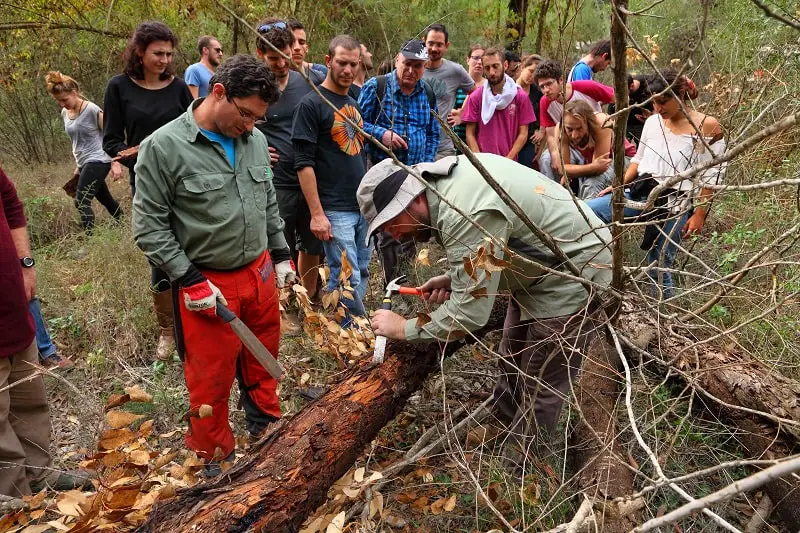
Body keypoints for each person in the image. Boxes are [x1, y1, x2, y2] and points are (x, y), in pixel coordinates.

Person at [357, 153, 611, 475]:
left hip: (576, 273)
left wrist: (404, 328)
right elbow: (501, 246)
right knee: (511, 356)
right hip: (541, 270)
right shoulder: (449, 184)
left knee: (540, 382)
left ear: (411, 200)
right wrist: (456, 280)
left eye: (392, 223)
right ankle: (499, 432)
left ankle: (520, 477)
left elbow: (469, 314)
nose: (393, 234)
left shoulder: (464, 210)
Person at [132, 54, 295, 472]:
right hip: (208, 284)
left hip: (257, 274)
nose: (250, 125)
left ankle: (267, 434)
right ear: (217, 92)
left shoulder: (254, 140)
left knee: (263, 363)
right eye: (244, 114)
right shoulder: (163, 147)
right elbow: (149, 228)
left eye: (258, 118)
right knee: (210, 380)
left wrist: (280, 256)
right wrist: (189, 280)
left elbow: (268, 202)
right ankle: (214, 462)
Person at [585, 70, 725, 299]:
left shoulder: (707, 126)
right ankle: (595, 279)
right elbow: (639, 160)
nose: (658, 108)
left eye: (663, 101)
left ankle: (665, 315)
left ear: (680, 94)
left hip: (675, 202)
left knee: (658, 262)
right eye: (654, 102)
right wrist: (619, 186)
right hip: (641, 190)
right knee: (589, 211)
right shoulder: (652, 122)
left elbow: (712, 175)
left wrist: (699, 214)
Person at [103, 21, 193, 361]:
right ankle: (167, 331)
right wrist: (146, 159)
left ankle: (194, 319)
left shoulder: (180, 87)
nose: (165, 60)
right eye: (158, 53)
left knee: (193, 247)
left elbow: (194, 128)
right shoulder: (119, 88)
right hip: (147, 183)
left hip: (187, 182)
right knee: (160, 257)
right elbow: (112, 141)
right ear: (139, 52)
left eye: (169, 54)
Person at [1, 166, 87, 496]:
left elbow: (9, 200)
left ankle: (40, 477)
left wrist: (25, 264)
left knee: (29, 399)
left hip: (11, 304)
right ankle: (16, 501)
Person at [293, 35, 371, 323]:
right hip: (334, 207)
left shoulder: (354, 102)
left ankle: (344, 327)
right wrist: (316, 213)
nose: (347, 70)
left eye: (353, 64)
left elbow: (357, 154)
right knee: (344, 274)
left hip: (361, 205)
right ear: (328, 61)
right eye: (341, 63)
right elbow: (303, 163)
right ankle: (355, 332)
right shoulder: (311, 104)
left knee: (361, 271)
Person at [358, 38, 440, 285]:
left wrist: (427, 164)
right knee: (391, 231)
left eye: (418, 66)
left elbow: (433, 131)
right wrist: (382, 134)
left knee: (413, 227)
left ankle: (408, 282)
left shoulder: (426, 92)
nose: (411, 71)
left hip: (416, 174)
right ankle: (392, 285)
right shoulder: (377, 87)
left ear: (424, 67)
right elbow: (356, 124)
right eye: (407, 64)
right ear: (397, 60)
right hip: (386, 176)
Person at [254, 18, 323, 302]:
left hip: (311, 178)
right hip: (275, 181)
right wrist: (255, 148)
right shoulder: (253, 86)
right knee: (278, 243)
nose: (281, 64)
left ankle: (306, 300)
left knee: (311, 243)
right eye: (273, 59)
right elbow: (236, 126)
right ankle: (281, 300)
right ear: (260, 55)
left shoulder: (309, 81)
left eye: (284, 57)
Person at [46, 71, 123, 233]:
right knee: (105, 199)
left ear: (74, 93)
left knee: (81, 201)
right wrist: (78, 165)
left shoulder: (92, 110)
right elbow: (77, 141)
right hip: (84, 162)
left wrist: (115, 162)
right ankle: (124, 225)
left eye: (64, 100)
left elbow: (112, 137)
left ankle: (90, 239)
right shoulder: (64, 113)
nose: (62, 104)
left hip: (99, 160)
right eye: (58, 101)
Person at [534, 59, 614, 182]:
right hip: (568, 141)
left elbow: (619, 98)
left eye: (549, 84)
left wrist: (613, 119)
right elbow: (550, 134)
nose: (546, 90)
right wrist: (555, 154)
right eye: (542, 87)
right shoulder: (545, 102)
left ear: (560, 80)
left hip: (595, 137)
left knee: (593, 173)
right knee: (547, 159)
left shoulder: (585, 87)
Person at [461, 47, 535, 161]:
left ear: (505, 65)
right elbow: (470, 133)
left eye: (495, 66)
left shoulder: (520, 96)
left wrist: (509, 158)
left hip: (509, 161)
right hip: (482, 162)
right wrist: (479, 159)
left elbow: (523, 133)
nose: (492, 72)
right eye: (487, 68)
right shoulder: (476, 97)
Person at [557, 100, 636, 199]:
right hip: (593, 163)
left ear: (588, 122)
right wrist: (569, 172)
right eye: (570, 129)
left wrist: (571, 171)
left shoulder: (601, 122)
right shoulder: (561, 130)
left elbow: (600, 168)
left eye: (579, 128)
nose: (574, 135)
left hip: (626, 160)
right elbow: (562, 169)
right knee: (564, 182)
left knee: (593, 183)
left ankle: (588, 212)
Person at [422, 23, 476, 158]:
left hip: (443, 148)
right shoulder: (414, 68)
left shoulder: (455, 71)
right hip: (416, 146)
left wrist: (463, 114)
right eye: (430, 43)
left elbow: (476, 94)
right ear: (423, 42)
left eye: (439, 44)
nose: (434, 48)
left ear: (447, 46)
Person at [449, 44, 486, 147]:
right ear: (468, 60)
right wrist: (455, 112)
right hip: (455, 141)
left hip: (480, 143)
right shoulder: (456, 83)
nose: (479, 62)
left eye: (482, 59)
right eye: (476, 58)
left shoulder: (489, 87)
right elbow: (445, 108)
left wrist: (464, 116)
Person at [515, 54, 545, 168]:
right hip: (511, 138)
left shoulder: (538, 92)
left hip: (529, 141)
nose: (532, 76)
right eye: (530, 71)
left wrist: (540, 130)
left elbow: (545, 116)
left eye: (535, 74)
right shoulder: (509, 88)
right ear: (522, 67)